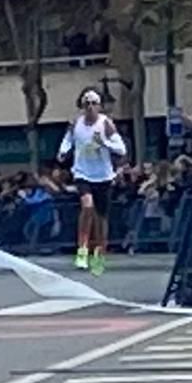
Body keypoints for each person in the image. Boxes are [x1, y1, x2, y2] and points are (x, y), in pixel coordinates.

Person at [57, 89, 127, 274]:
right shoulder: (76, 124)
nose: (90, 107)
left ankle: (99, 256)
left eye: (93, 103)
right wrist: (63, 152)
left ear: (99, 106)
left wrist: (105, 143)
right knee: (87, 207)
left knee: (101, 218)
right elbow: (68, 140)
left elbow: (121, 149)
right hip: (82, 173)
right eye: (86, 103)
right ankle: (81, 250)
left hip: (103, 175)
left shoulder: (106, 124)